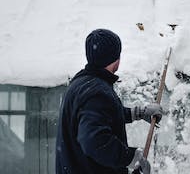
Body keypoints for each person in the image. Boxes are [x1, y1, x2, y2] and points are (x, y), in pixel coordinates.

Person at [56, 29, 163, 174]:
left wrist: (135, 113)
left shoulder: (80, 85)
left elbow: (101, 115)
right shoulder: (97, 92)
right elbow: (93, 140)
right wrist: (129, 157)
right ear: (116, 59)